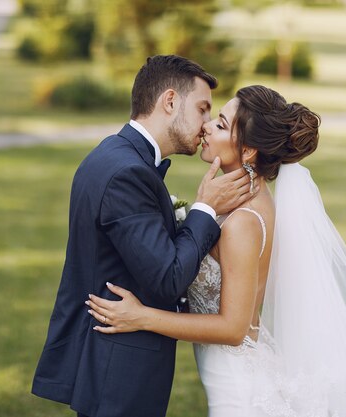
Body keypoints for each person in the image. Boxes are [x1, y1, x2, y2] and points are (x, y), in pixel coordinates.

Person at [87, 85, 346, 417]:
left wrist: (142, 318)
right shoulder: (237, 206)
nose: (205, 126)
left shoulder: (243, 222)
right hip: (230, 379)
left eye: (219, 124)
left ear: (247, 151)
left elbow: (233, 328)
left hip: (238, 392)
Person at [31, 55, 256, 417]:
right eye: (202, 109)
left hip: (110, 363)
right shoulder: (128, 173)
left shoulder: (113, 154)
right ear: (169, 101)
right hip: (118, 371)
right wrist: (205, 209)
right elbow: (167, 278)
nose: (204, 125)